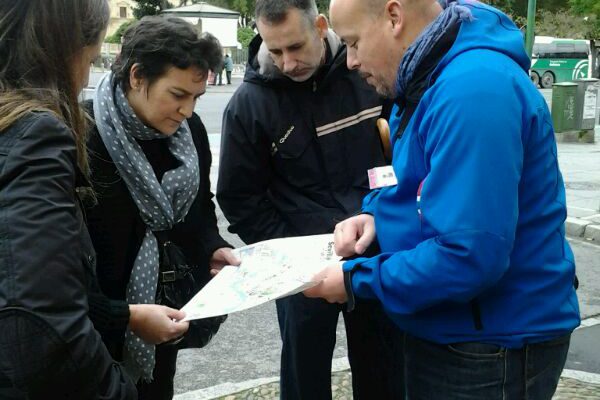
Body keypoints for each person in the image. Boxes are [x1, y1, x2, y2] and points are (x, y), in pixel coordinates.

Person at [305, 0, 581, 399]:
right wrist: (377, 217)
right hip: (462, 327)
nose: (349, 61)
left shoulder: (472, 90)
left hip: (490, 344)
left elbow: (468, 255)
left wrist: (355, 280)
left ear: (394, 17)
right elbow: (417, 185)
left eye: (353, 42)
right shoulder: (425, 78)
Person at [217, 1, 404, 399]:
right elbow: (238, 198)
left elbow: (402, 154)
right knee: (304, 375)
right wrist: (290, 255)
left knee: (384, 368)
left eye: (295, 47)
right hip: (301, 269)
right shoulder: (250, 105)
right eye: (275, 50)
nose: (287, 63)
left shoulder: (368, 72)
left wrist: (390, 222)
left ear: (321, 26)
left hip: (377, 250)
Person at [84, 16, 239, 399]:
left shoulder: (190, 133)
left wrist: (211, 247)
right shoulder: (80, 134)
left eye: (196, 98)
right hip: (93, 328)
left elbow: (199, 210)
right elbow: (55, 263)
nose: (187, 110)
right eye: (177, 95)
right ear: (137, 76)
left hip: (163, 316)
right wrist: (121, 317)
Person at [0, 0, 136, 398]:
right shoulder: (33, 135)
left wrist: (123, 315)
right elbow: (40, 329)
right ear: (62, 53)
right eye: (90, 61)